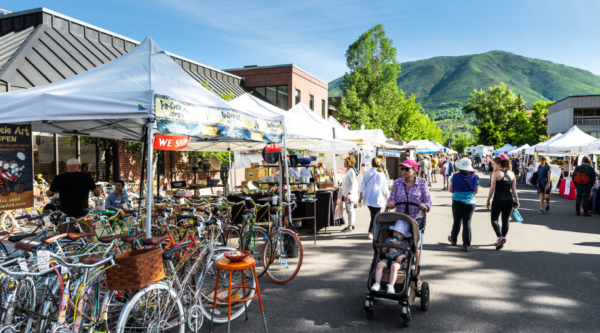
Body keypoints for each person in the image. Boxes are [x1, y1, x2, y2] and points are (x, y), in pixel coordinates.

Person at [387, 159, 431, 230]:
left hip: (416, 220)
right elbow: (391, 200)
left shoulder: (422, 183)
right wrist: (390, 204)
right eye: (402, 169)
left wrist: (425, 206)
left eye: (407, 169)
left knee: (415, 239)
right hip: (400, 219)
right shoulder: (397, 182)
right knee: (397, 239)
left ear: (415, 170)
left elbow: (427, 201)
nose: (404, 171)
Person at [486, 156, 520, 250]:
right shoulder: (512, 174)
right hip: (509, 199)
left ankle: (500, 237)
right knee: (505, 220)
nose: (492, 165)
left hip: (498, 199)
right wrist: (517, 201)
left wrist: (488, 200)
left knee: (494, 220)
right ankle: (503, 238)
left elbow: (492, 188)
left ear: (499, 164)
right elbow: (514, 189)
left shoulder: (496, 173)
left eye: (493, 163)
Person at [371, 219, 411, 294]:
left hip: (397, 261)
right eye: (395, 232)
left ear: (404, 235)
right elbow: (382, 251)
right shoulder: (389, 239)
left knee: (394, 266)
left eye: (399, 233)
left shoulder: (405, 243)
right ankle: (377, 284)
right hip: (386, 259)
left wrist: (402, 256)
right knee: (379, 265)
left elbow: (407, 253)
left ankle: (391, 286)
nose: (396, 234)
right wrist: (387, 246)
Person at [448, 158, 479, 252]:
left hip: (457, 201)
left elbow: (450, 190)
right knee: (467, 223)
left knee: (457, 221)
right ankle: (466, 244)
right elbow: (476, 191)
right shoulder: (475, 177)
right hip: (470, 203)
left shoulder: (455, 176)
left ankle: (453, 239)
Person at [359, 158, 390, 240]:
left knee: (374, 215)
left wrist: (360, 197)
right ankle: (371, 232)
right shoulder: (381, 174)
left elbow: (362, 186)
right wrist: (387, 200)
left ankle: (373, 230)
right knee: (375, 216)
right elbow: (385, 188)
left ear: (372, 164)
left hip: (368, 198)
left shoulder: (367, 173)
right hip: (378, 198)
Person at [341, 156, 359, 232]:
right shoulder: (349, 170)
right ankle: (352, 224)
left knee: (350, 209)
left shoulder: (351, 171)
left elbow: (353, 183)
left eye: (345, 161)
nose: (343, 162)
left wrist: (349, 193)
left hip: (349, 194)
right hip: (347, 193)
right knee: (349, 210)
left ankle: (350, 226)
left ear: (349, 162)